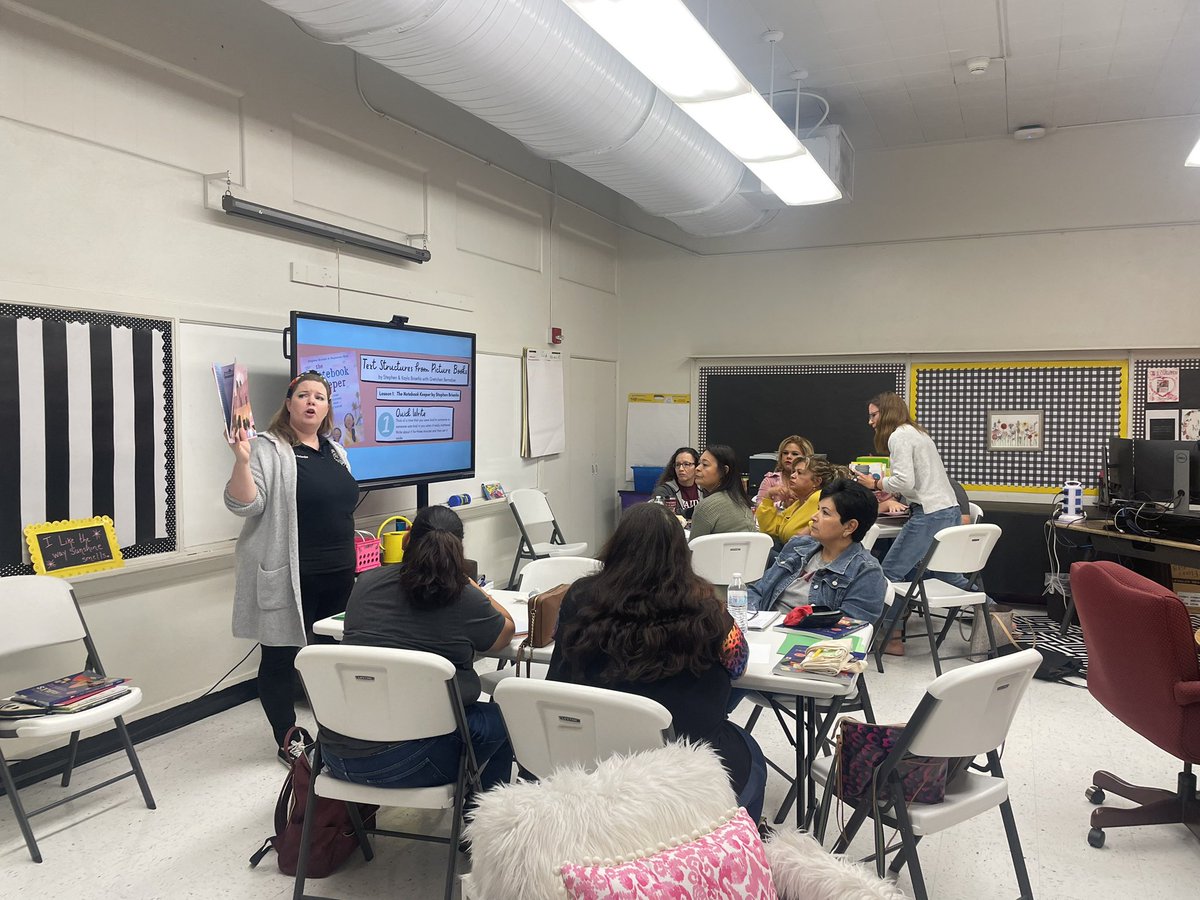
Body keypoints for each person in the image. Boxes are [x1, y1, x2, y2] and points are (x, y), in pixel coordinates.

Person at [547, 503, 767, 820]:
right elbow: (738, 664)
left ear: (617, 546)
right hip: (685, 763)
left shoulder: (580, 597)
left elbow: (560, 642)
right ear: (681, 553)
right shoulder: (705, 607)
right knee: (750, 751)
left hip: (596, 755)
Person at [319, 506, 516, 791]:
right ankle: (480, 826)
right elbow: (505, 633)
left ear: (407, 539)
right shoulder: (464, 598)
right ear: (458, 549)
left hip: (337, 755)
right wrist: (473, 585)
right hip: (406, 762)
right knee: (504, 719)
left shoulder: (366, 583)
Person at [225, 371, 359, 764]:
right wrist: (241, 461)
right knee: (280, 657)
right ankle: (288, 737)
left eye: (320, 396)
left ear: (327, 406)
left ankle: (339, 728)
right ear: (289, 403)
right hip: (290, 574)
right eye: (303, 395)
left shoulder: (336, 450)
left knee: (333, 654)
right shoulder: (267, 447)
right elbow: (245, 505)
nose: (312, 402)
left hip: (339, 571)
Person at [850, 393, 969, 587]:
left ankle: (884, 619)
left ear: (887, 413)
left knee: (889, 573)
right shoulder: (917, 432)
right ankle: (996, 614)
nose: (870, 421)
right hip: (948, 509)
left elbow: (904, 482)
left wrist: (876, 484)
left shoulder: (899, 436)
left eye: (873, 415)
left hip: (930, 513)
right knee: (950, 577)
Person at [748, 479, 887, 623]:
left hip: (807, 639)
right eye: (818, 509)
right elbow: (758, 591)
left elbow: (850, 628)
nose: (813, 517)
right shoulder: (798, 547)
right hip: (763, 630)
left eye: (825, 513)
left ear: (850, 527)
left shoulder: (865, 571)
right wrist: (749, 619)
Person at [755, 455, 840, 547]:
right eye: (793, 472)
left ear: (817, 481)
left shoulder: (818, 497)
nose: (792, 475)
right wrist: (769, 495)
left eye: (799, 473)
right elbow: (769, 529)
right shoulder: (798, 503)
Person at [689, 444, 754, 539]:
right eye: (699, 463)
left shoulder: (706, 507)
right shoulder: (742, 500)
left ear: (724, 470)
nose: (697, 468)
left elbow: (693, 550)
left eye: (705, 465)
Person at [753, 435, 815, 505]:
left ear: (805, 458)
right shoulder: (770, 480)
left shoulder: (811, 481)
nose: (788, 456)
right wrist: (780, 502)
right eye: (785, 453)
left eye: (794, 454)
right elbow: (758, 510)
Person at [651, 446, 706, 520]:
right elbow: (662, 516)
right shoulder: (665, 490)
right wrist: (691, 511)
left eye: (686, 464)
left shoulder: (705, 487)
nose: (681, 469)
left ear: (697, 466)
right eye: (677, 465)